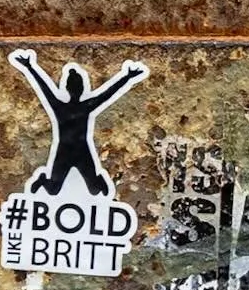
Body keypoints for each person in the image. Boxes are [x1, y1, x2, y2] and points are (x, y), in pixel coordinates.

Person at [9, 49, 148, 197]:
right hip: (64, 151)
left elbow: (107, 94)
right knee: (53, 189)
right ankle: (43, 179)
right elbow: (44, 89)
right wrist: (29, 67)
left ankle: (98, 180)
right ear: (73, 89)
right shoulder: (61, 107)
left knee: (94, 189)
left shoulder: (83, 107)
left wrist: (127, 77)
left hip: (82, 150)